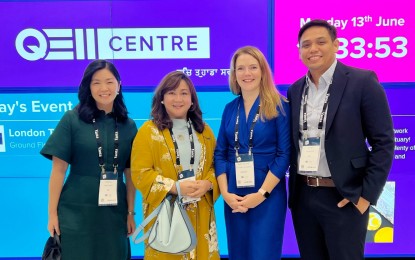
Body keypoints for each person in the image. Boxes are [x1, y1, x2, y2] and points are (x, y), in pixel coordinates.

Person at [287, 19, 395, 260]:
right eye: (305, 45)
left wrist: (366, 196)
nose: (312, 49)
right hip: (304, 197)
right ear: (299, 51)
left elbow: (384, 142)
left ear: (336, 45)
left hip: (345, 195)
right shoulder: (295, 90)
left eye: (320, 42)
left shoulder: (362, 82)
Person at [41, 60, 137, 259]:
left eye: (110, 82)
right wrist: (52, 214)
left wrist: (130, 213)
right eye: (96, 82)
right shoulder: (71, 119)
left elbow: (130, 174)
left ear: (119, 85)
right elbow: (58, 171)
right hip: (76, 212)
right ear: (88, 87)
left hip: (114, 214)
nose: (104, 88)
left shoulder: (128, 125)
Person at [131, 71, 220, 260]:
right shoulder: (148, 132)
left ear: (192, 100)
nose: (178, 99)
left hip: (201, 215)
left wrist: (208, 184)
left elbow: (216, 167)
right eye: (171, 93)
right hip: (166, 218)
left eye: (184, 93)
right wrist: (174, 187)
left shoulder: (204, 131)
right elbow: (140, 173)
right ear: (162, 98)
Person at [214, 46, 290, 260]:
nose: (247, 73)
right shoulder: (230, 108)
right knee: (239, 253)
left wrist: (261, 194)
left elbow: (284, 155)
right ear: (234, 74)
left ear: (263, 71)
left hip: (267, 194)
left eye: (253, 67)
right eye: (241, 68)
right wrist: (225, 194)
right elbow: (220, 153)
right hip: (234, 194)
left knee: (263, 253)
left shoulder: (279, 106)